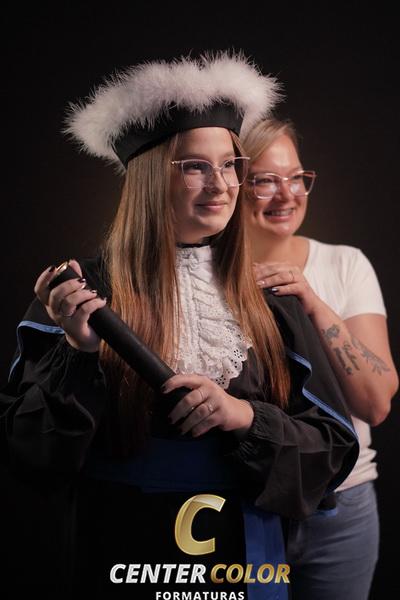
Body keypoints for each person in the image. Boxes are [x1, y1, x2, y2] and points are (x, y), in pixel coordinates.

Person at [0, 54, 358, 600]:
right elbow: (33, 457)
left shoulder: (269, 299)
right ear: (149, 180)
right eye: (194, 166)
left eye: (230, 165)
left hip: (246, 562)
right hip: (123, 553)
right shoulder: (84, 297)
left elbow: (329, 451)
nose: (221, 185)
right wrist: (78, 352)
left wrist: (243, 417)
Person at [241, 117, 399, 600]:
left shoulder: (345, 264)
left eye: (296, 177)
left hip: (344, 508)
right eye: (265, 180)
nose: (286, 194)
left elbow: (375, 404)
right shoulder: (203, 275)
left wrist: (312, 301)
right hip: (248, 501)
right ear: (234, 183)